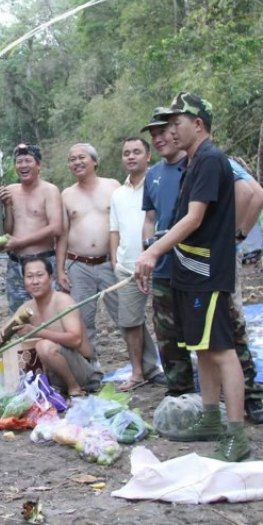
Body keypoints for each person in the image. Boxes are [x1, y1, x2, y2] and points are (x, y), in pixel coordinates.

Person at [135, 92, 250, 461]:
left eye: (176, 123)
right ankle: (211, 416)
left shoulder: (212, 160)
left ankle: (236, 434)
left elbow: (194, 218)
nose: (171, 130)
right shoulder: (193, 162)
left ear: (197, 124)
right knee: (200, 347)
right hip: (188, 271)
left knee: (221, 349)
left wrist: (153, 251)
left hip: (206, 274)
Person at [57, 143, 164, 384]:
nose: (76, 162)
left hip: (109, 262)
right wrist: (60, 268)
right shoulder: (66, 194)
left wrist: (121, 258)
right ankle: (89, 372)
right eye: (71, 159)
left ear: (94, 161)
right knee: (82, 320)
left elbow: (124, 225)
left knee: (128, 316)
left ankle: (149, 367)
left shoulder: (114, 187)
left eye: (81, 157)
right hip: (78, 264)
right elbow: (62, 235)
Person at [0, 258, 95, 398]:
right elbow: (3, 336)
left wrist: (36, 331)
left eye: (40, 275)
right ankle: (51, 389)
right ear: (24, 281)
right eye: (29, 277)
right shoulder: (26, 308)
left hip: (82, 370)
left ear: (51, 278)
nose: (35, 281)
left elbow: (76, 340)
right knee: (21, 354)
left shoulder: (63, 301)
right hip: (51, 373)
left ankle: (74, 388)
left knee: (44, 346)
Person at [109, 138, 153, 391]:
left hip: (158, 263)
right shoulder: (118, 194)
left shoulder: (159, 182)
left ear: (148, 156)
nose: (131, 157)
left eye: (137, 152)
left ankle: (172, 371)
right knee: (130, 322)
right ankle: (137, 372)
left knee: (167, 321)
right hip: (127, 268)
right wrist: (115, 259)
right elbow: (114, 229)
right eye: (126, 153)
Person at [0, 144, 62, 314]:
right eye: (19, 161)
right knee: (18, 314)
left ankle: (49, 341)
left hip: (44, 261)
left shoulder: (50, 190)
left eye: (28, 160)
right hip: (16, 263)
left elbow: (56, 227)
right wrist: (8, 206)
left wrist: (20, 242)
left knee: (49, 313)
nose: (23, 165)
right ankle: (24, 342)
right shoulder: (10, 191)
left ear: (38, 165)